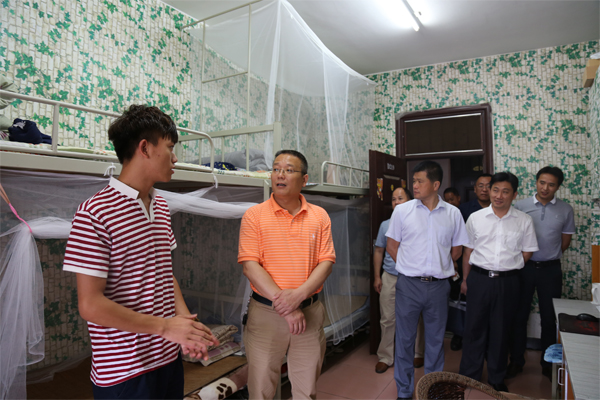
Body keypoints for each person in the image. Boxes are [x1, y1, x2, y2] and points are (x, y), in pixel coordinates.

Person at [63, 105, 218, 399]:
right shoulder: (94, 213)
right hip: (125, 371)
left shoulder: (160, 205)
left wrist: (187, 328)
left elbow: (164, 274)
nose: (175, 158)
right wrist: (165, 327)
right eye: (170, 148)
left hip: (167, 359)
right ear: (145, 148)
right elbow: (90, 305)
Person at [238, 149, 336, 399]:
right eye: (276, 169)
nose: (280, 175)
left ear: (304, 179)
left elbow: (326, 262)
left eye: (289, 170)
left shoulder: (319, 216)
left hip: (309, 312)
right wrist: (288, 307)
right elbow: (250, 266)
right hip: (266, 315)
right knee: (261, 391)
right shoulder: (254, 215)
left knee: (306, 390)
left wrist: (298, 296)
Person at [386, 161, 468, 400]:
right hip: (408, 285)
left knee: (435, 341)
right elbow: (392, 246)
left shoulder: (452, 213)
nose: (415, 185)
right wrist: (410, 266)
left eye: (420, 181)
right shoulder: (403, 211)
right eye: (414, 181)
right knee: (404, 340)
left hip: (439, 286)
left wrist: (437, 265)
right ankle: (404, 391)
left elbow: (457, 250)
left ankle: (431, 390)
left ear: (435, 184)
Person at [458, 172, 539, 393]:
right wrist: (465, 279)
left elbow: (528, 251)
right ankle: (469, 375)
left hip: (508, 282)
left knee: (501, 331)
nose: (499, 195)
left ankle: (496, 376)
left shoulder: (523, 220)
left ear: (514, 194)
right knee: (473, 329)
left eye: (505, 191)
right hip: (479, 279)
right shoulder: (475, 218)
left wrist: (509, 266)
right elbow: (468, 251)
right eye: (495, 190)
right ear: (489, 190)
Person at [507, 166, 575, 380]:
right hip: (524, 268)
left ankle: (547, 364)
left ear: (558, 187)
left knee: (549, 317)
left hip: (550, 270)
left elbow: (565, 241)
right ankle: (516, 361)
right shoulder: (521, 206)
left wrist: (549, 256)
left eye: (551, 184)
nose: (545, 188)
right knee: (519, 315)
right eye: (542, 182)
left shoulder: (566, 209)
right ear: (536, 182)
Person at [373, 187, 426, 373]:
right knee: (387, 317)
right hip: (390, 276)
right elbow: (379, 250)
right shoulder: (385, 225)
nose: (396, 202)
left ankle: (417, 352)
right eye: (394, 199)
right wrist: (377, 276)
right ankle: (385, 356)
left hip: (413, 278)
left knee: (416, 317)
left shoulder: (421, 222)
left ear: (411, 202)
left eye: (401, 198)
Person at [452, 173, 492, 351]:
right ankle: (459, 334)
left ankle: (485, 338)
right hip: (465, 262)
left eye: (488, 186)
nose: (484, 189)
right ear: (474, 189)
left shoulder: (499, 209)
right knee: (462, 300)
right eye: (480, 186)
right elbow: (454, 237)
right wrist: (453, 260)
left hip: (488, 265)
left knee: (485, 306)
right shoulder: (464, 210)